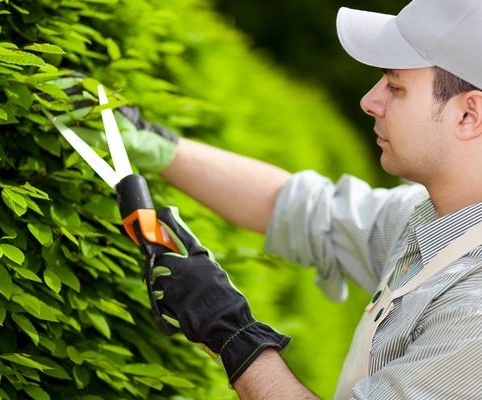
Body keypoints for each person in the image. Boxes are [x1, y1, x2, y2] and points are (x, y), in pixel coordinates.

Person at [119, 0, 482, 398]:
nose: (369, 100)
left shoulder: (473, 311)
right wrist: (155, 146)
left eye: (395, 87)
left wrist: (233, 333)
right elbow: (299, 208)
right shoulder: (429, 219)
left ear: (468, 115)